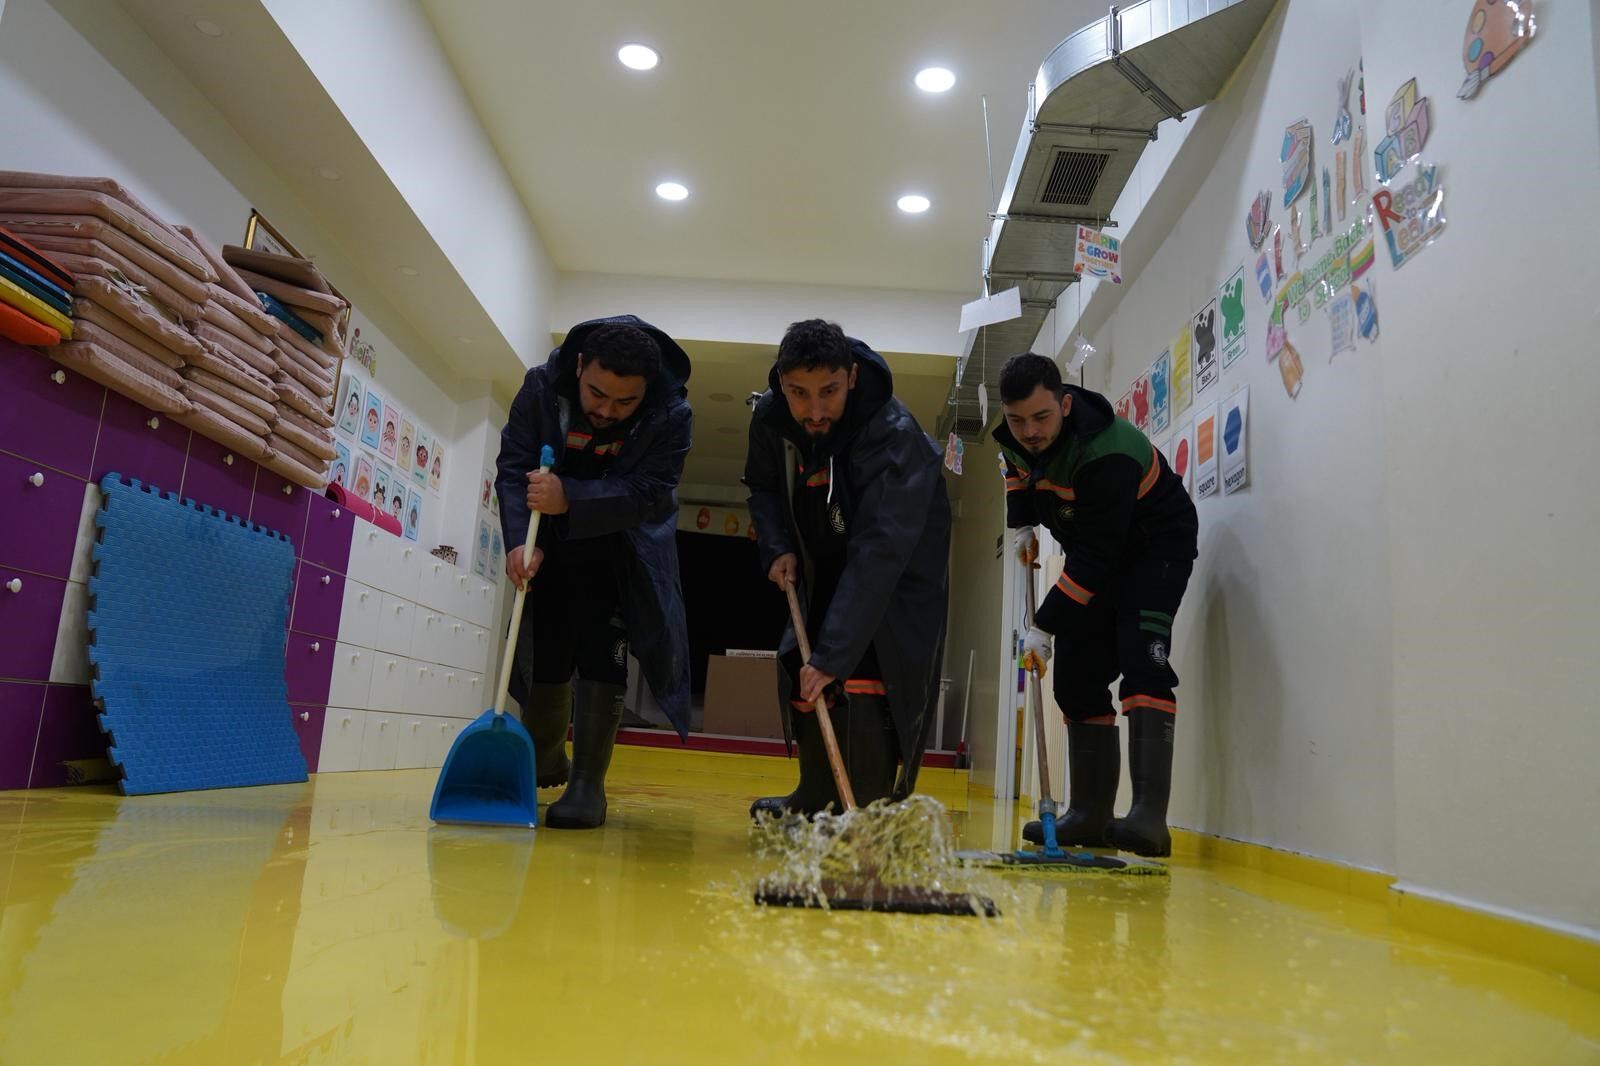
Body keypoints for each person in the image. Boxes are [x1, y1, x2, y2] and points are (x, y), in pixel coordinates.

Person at [744, 319, 951, 818]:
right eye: (799, 393)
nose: (814, 411)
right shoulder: (771, 418)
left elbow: (881, 551)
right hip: (822, 561)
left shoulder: (896, 436)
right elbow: (764, 486)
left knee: (864, 668)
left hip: (895, 576)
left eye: (829, 392)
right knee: (802, 663)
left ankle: (868, 809)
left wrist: (834, 655)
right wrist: (776, 546)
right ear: (781, 383)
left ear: (852, 377)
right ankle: (816, 793)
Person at [994, 353, 1198, 857]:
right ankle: (1090, 814)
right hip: (1099, 551)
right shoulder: (1016, 437)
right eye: (1017, 420)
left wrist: (1043, 626)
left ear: (1065, 404)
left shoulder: (1108, 451)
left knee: (1142, 659)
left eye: (1041, 417)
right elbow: (1017, 472)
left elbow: (1095, 561)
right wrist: (1023, 524)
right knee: (1076, 676)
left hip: (1155, 548)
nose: (1029, 431)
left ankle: (1149, 818)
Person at [496, 315, 692, 829]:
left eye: (625, 402)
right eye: (597, 394)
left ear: (646, 390)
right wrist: (518, 541)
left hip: (622, 547)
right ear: (580, 365)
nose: (606, 410)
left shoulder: (671, 412)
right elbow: (514, 466)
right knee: (549, 644)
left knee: (603, 648)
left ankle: (587, 783)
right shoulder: (542, 387)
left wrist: (571, 497)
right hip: (550, 542)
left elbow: (651, 492)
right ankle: (541, 759)